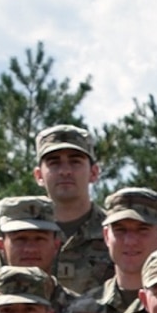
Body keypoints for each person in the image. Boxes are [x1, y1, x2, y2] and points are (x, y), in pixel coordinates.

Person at [29, 124, 108, 298]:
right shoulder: (22, 236)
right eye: (54, 163)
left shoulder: (117, 233)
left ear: (94, 173)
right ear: (38, 176)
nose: (65, 171)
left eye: (75, 162)